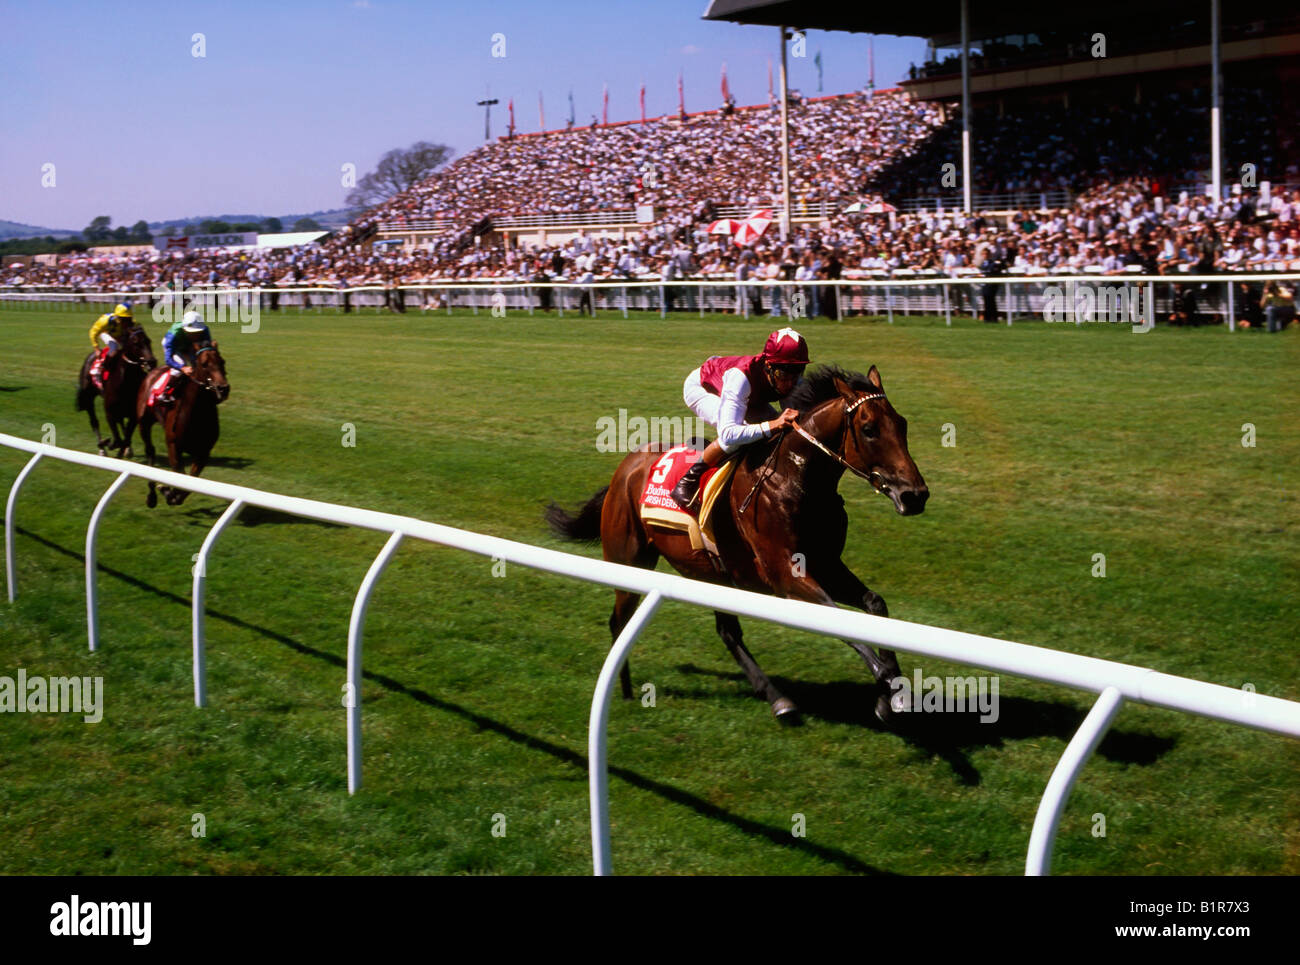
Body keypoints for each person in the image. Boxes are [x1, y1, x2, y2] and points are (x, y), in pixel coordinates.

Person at [670, 328, 810, 510]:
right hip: (704, 388)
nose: (790, 382)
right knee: (737, 438)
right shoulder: (741, 377)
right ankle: (687, 481)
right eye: (782, 375)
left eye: (797, 372)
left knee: (781, 429)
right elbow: (729, 434)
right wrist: (773, 425)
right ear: (768, 366)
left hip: (749, 397)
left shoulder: (789, 377)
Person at [151, 311, 211, 406]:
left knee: (200, 365)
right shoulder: (173, 334)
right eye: (192, 333)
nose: (196, 336)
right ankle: (164, 394)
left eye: (198, 332)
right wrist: (183, 368)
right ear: (184, 329)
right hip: (175, 347)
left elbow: (208, 350)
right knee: (179, 367)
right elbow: (168, 359)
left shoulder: (205, 330)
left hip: (189, 346)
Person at [87, 302, 135, 386]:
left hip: (119, 335)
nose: (126, 322)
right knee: (114, 347)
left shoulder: (129, 322)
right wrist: (96, 348)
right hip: (105, 333)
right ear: (117, 317)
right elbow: (93, 332)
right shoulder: (105, 321)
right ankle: (100, 368)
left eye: (128, 319)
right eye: (124, 319)